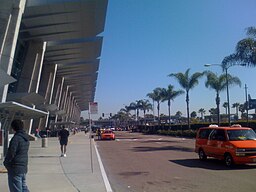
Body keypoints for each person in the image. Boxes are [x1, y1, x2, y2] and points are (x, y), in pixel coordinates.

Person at [4, 119, 30, 192]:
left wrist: (6, 163)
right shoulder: (25, 138)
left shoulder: (16, 138)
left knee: (16, 189)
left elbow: (11, 153)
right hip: (23, 167)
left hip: (15, 168)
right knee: (23, 187)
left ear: (13, 128)